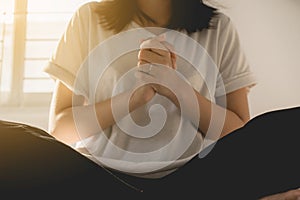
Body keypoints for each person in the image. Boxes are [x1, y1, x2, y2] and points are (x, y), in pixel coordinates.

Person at [1, 0, 299, 199]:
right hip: (98, 176)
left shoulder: (219, 27)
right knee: (8, 139)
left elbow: (241, 140)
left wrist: (177, 89)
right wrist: (135, 97)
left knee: (288, 128)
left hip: (194, 179)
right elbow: (62, 130)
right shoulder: (87, 18)